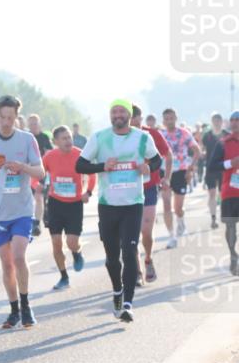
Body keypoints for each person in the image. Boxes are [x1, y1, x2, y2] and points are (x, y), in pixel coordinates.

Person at [76, 100, 160, 323]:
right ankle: (117, 291)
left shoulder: (142, 138)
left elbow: (157, 160)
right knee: (112, 258)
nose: (118, 115)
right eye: (114, 112)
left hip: (133, 203)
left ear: (129, 115)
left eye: (122, 111)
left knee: (130, 251)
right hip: (108, 205)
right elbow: (80, 166)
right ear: (110, 116)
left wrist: (147, 167)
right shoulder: (99, 138)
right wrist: (102, 166)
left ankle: (128, 304)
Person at [0, 95, 45, 328]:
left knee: (19, 256)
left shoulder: (27, 139)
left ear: (16, 117)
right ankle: (13, 309)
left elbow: (40, 172)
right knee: (7, 264)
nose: (5, 122)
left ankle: (26, 305)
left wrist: (22, 167)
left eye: (10, 118)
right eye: (2, 117)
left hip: (22, 208)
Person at [41, 125, 95, 290]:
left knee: (72, 242)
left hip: (75, 204)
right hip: (55, 203)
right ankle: (64, 276)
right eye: (64, 138)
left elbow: (92, 174)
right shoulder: (50, 156)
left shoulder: (80, 154)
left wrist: (89, 192)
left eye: (69, 137)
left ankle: (76, 252)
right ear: (55, 141)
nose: (68, 141)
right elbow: (38, 173)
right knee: (56, 242)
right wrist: (36, 184)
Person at [130, 105, 172, 284]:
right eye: (131, 120)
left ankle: (148, 258)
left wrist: (166, 178)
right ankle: (137, 272)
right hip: (127, 189)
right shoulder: (118, 137)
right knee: (131, 235)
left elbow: (168, 155)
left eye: (137, 120)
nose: (134, 124)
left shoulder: (151, 134)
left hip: (148, 188)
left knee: (146, 231)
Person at [162, 108, 202, 242]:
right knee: (166, 205)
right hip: (166, 173)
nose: (169, 121)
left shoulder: (184, 133)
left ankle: (180, 221)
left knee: (177, 207)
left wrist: (191, 168)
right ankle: (171, 235)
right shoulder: (161, 135)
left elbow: (197, 151)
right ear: (163, 120)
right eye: (166, 119)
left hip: (181, 172)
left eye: (171, 118)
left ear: (176, 118)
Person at [206, 110, 239, 276]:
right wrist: (230, 163)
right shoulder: (223, 143)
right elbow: (212, 166)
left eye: (237, 120)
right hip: (231, 191)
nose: (234, 123)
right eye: (232, 120)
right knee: (231, 226)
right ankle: (234, 255)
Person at [27, 114, 53, 237]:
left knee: (39, 197)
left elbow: (51, 153)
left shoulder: (44, 138)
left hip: (41, 171)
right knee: (28, 199)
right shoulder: (26, 137)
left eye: (35, 123)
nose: (33, 126)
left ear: (39, 124)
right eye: (31, 123)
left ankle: (36, 223)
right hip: (27, 171)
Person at [202, 113, 226, 229]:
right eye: (214, 120)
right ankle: (213, 218)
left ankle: (222, 211)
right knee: (212, 194)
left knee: (222, 194)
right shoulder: (207, 136)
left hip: (223, 169)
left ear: (221, 122)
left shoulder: (227, 135)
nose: (217, 122)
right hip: (211, 169)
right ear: (212, 122)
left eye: (218, 120)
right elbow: (203, 149)